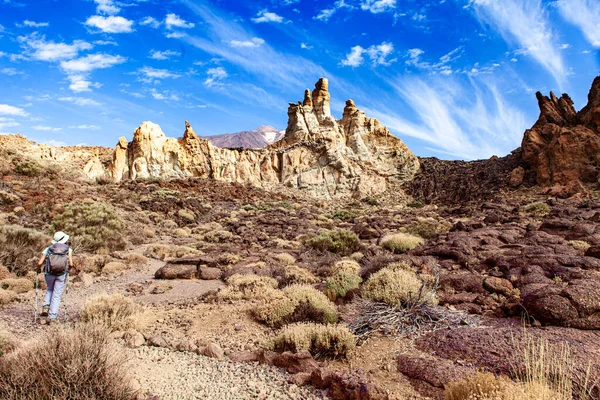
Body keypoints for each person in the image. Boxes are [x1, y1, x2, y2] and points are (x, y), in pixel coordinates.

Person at [37, 231, 73, 322]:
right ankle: (52, 316)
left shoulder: (48, 249)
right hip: (61, 274)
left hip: (49, 273)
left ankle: (46, 306)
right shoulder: (68, 249)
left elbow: (40, 262)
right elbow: (71, 264)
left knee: (49, 288)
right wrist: (68, 269)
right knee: (56, 295)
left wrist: (38, 269)